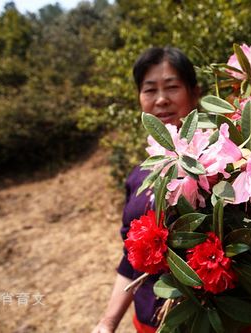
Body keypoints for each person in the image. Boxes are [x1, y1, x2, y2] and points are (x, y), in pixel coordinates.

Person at [92, 47, 200, 333]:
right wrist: (108, 321)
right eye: (150, 90)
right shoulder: (139, 175)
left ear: (194, 93)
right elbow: (132, 258)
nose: (161, 100)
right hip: (148, 322)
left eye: (172, 87)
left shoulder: (221, 166)